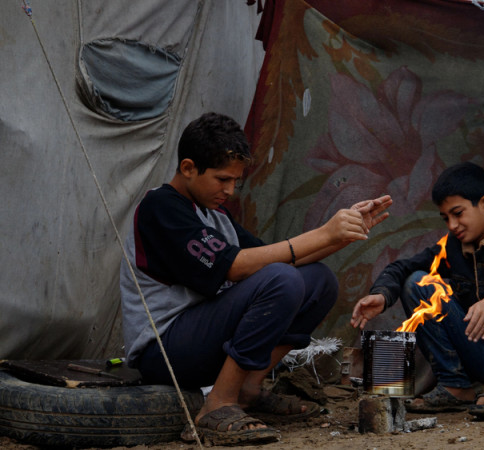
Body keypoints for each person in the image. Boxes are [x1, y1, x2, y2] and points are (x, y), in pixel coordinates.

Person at [119, 112, 392, 445]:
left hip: (203, 343)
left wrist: (339, 236)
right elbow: (236, 267)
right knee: (282, 279)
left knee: (319, 281)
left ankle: (248, 388)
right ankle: (217, 405)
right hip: (163, 351)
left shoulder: (215, 214)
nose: (231, 190)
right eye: (222, 179)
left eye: (235, 181)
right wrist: (324, 231)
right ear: (188, 168)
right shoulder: (159, 207)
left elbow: (275, 258)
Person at [351, 162, 484, 420]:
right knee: (416, 281)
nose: (452, 225)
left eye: (458, 213)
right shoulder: (451, 248)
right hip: (478, 351)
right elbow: (402, 268)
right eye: (446, 218)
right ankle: (455, 385)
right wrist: (382, 294)